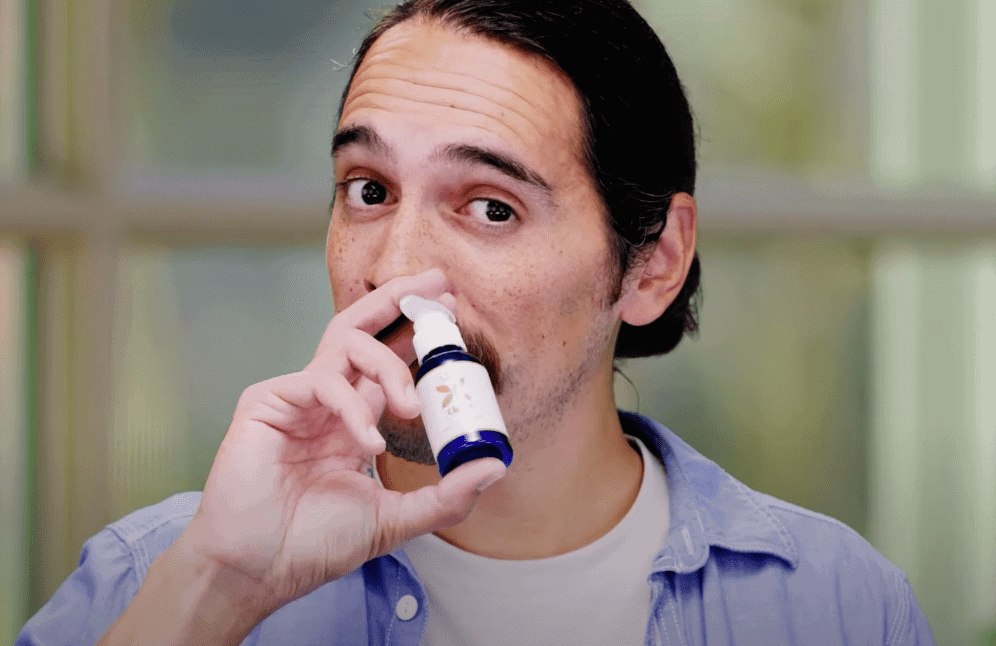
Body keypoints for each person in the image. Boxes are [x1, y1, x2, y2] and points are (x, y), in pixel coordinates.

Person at [18, 1, 935, 644]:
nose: (396, 268)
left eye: (490, 207)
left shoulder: (837, 606)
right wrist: (216, 590)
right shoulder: (154, 580)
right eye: (368, 191)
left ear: (652, 261)